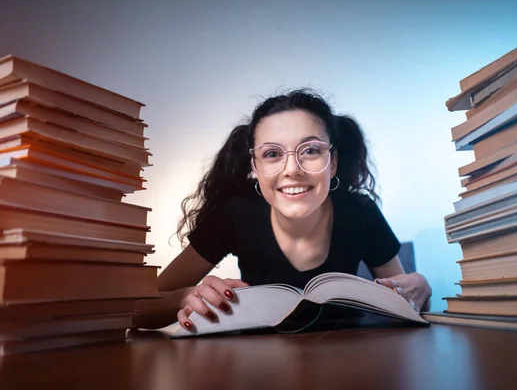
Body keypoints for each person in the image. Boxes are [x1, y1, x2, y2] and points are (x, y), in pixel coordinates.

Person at [133, 89, 432, 331]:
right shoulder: (233, 214)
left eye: (311, 150)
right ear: (255, 167)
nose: (292, 170)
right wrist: (187, 296)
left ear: (334, 161)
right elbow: (138, 310)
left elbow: (406, 303)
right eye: (272, 154)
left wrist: (421, 286)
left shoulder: (360, 211)